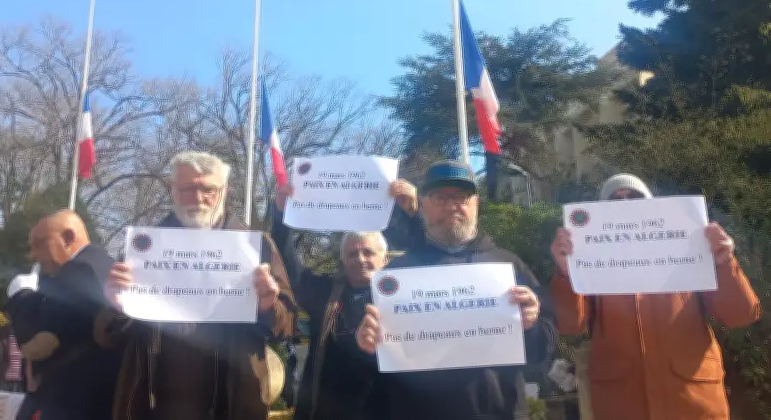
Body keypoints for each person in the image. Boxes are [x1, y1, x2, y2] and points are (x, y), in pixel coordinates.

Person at [97, 151, 297, 420]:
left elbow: (287, 327)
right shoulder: (144, 250)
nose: (198, 198)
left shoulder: (256, 246)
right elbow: (106, 337)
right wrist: (116, 306)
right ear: (173, 189)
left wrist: (267, 306)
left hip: (234, 406)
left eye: (208, 189)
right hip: (156, 407)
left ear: (225, 191)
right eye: (187, 188)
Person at [549, 173, 762, 420]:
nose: (626, 203)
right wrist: (565, 271)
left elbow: (741, 315)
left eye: (635, 196)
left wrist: (725, 263)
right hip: (622, 404)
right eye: (615, 200)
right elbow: (570, 325)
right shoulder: (590, 261)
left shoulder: (691, 248)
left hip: (693, 402)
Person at [356, 160, 557, 420]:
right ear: (423, 205)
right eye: (440, 198)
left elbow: (543, 352)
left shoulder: (508, 266)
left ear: (476, 204)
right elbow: (373, 366)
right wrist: (366, 345)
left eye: (461, 197)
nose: (452, 206)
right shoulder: (395, 276)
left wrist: (531, 326)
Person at [271, 180, 419, 420]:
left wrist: (413, 215)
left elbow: (426, 259)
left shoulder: (403, 294)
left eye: (368, 252)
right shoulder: (326, 292)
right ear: (343, 259)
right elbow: (289, 269)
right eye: (352, 253)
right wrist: (280, 215)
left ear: (384, 258)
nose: (360, 259)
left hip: (385, 408)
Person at [6, 210, 121, 420]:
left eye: (40, 243)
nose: (33, 254)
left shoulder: (78, 271)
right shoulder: (106, 267)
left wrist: (20, 296)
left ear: (68, 238)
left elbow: (36, 343)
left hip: (69, 402)